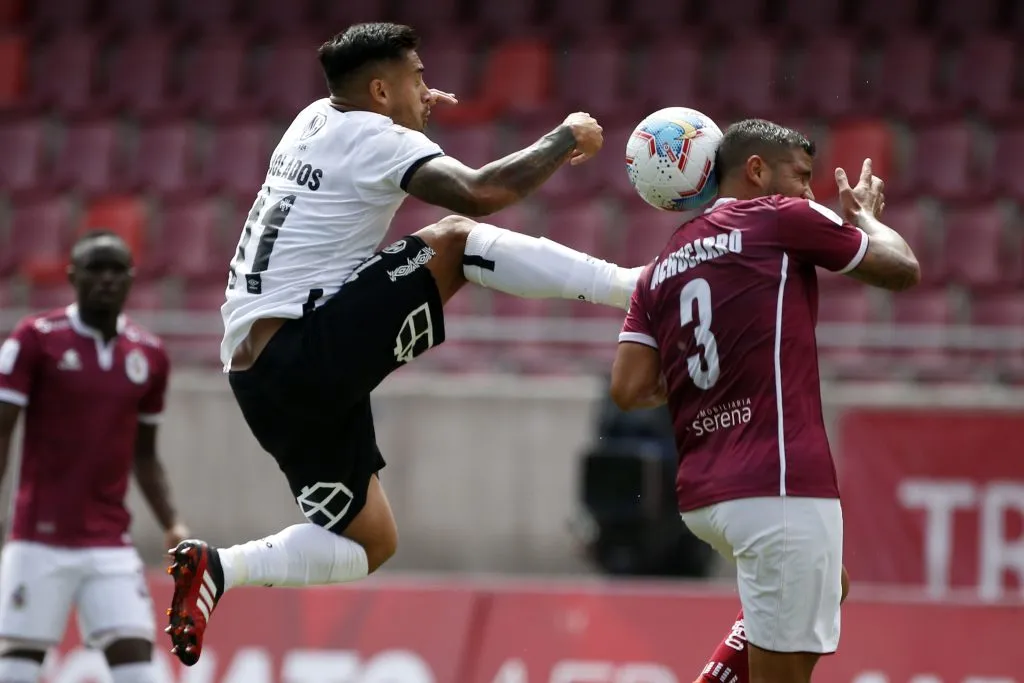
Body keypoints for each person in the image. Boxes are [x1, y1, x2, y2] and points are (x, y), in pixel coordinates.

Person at [164, 22, 643, 666]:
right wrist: (566, 137)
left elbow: (369, 130)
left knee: (370, 541)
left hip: (254, 371)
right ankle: (635, 288)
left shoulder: (314, 117)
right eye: (417, 76)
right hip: (303, 350)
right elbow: (483, 192)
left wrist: (406, 107)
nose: (428, 86)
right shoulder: (374, 137)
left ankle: (219, 569)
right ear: (382, 91)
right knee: (456, 239)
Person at [610, 119, 920, 683]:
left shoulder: (664, 261)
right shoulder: (781, 216)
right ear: (756, 169)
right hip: (779, 484)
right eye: (801, 176)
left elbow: (628, 389)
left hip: (706, 495)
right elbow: (902, 270)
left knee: (831, 583)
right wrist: (867, 219)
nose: (808, 189)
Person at [0, 230, 189, 683]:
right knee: (16, 672)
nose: (106, 280)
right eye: (95, 270)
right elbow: (2, 434)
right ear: (72, 277)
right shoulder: (36, 339)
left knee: (141, 672)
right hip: (38, 539)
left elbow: (145, 455)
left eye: (116, 271)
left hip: (109, 543)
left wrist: (171, 522)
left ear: (131, 279)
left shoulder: (149, 354)